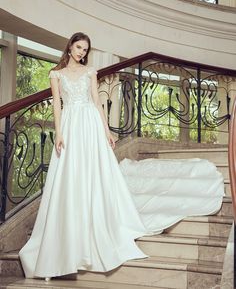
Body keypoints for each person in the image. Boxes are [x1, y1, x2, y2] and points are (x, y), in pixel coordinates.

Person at [19, 32, 225, 280]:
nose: (82, 52)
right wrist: (59, 134)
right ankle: (64, 243)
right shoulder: (56, 74)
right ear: (70, 46)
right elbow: (56, 106)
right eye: (79, 47)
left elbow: (97, 103)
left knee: (92, 174)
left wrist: (106, 132)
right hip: (72, 126)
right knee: (70, 178)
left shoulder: (90, 73)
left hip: (90, 126)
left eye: (85, 49)